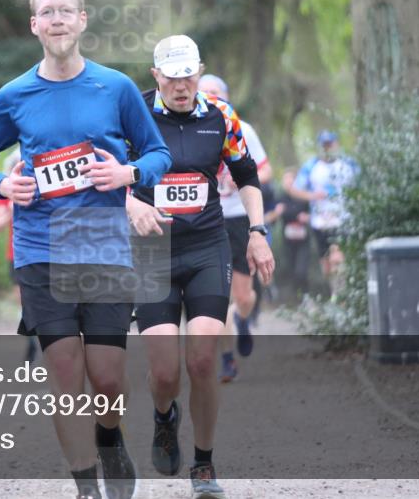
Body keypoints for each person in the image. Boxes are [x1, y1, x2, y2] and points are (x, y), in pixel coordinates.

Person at [0, 0, 171, 499]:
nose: (57, 19)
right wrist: (3, 184)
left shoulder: (116, 87)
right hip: (40, 251)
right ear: (35, 25)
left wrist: (129, 176)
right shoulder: (14, 95)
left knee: (106, 380)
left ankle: (110, 437)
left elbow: (157, 153)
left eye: (66, 10)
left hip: (104, 249)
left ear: (82, 20)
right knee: (64, 372)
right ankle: (84, 486)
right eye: (47, 12)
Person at [127, 40, 274, 499]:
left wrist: (256, 232)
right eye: (171, 76)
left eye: (188, 75)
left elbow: (247, 176)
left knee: (204, 359)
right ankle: (164, 416)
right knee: (166, 372)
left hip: (208, 246)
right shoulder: (132, 114)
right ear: (156, 75)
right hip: (152, 252)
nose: (180, 85)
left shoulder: (222, 116)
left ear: (200, 72)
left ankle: (204, 464)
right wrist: (131, 204)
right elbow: (105, 177)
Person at [196, 74, 275, 383]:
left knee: (243, 298)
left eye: (216, 93)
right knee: (218, 296)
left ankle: (242, 320)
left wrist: (240, 179)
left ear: (226, 97)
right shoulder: (190, 130)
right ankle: (227, 358)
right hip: (208, 219)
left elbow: (265, 170)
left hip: (240, 217)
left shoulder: (242, 128)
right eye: (205, 93)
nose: (210, 98)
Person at [287, 130, 358, 295]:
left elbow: (362, 184)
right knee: (326, 266)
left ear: (336, 144)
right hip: (319, 221)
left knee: (337, 258)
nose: (327, 148)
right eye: (324, 145)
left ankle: (341, 296)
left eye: (330, 144)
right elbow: (294, 190)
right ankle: (335, 290)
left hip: (343, 219)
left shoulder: (348, 164)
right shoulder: (311, 166)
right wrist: (312, 195)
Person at [0, 146, 38, 363]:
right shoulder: (5, 193)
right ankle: (31, 344)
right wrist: (11, 207)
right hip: (16, 253)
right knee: (26, 303)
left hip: (45, 250)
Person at [279, 167, 312, 299]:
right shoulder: (281, 197)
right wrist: (296, 215)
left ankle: (306, 296)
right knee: (292, 270)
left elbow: (309, 214)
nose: (288, 183)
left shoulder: (303, 197)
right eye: (286, 180)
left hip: (303, 240)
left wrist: (304, 216)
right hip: (288, 240)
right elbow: (281, 213)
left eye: (291, 180)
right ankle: (297, 298)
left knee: (301, 270)